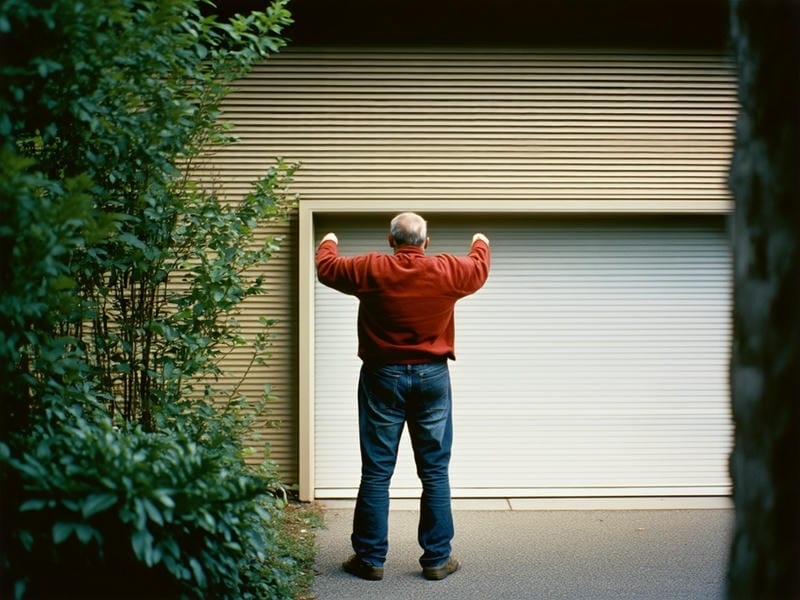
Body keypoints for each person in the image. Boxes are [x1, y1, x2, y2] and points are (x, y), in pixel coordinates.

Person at [315, 212, 490, 582]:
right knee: (435, 472)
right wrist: (480, 241)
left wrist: (328, 238)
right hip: (433, 378)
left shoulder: (371, 268)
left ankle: (370, 559)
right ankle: (437, 560)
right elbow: (479, 266)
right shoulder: (447, 270)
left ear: (391, 241)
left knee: (377, 472)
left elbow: (326, 266)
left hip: (382, 376)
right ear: (425, 243)